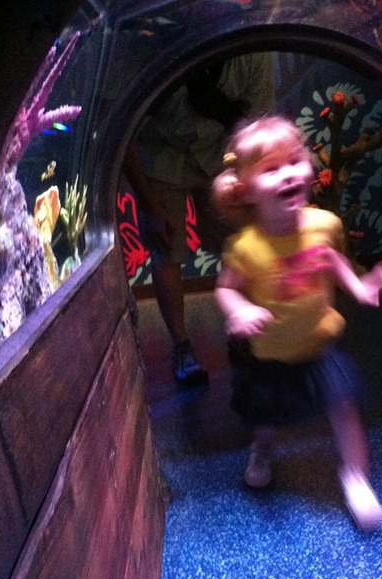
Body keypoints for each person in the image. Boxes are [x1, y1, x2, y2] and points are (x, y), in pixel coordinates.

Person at [212, 116, 382, 531]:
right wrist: (238, 310)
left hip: (319, 344)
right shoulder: (245, 247)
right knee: (265, 416)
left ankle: (356, 478)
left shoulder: (324, 225)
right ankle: (262, 450)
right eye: (271, 169)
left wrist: (361, 287)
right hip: (270, 352)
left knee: (344, 405)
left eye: (294, 161)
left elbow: (331, 260)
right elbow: (225, 289)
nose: (288, 174)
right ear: (245, 190)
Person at [123, 53, 275, 386]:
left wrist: (251, 185)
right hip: (162, 156)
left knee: (238, 240)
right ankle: (181, 346)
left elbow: (260, 124)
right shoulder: (158, 51)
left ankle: (244, 334)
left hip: (222, 153)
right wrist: (149, 206)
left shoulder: (251, 54)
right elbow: (126, 131)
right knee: (166, 248)